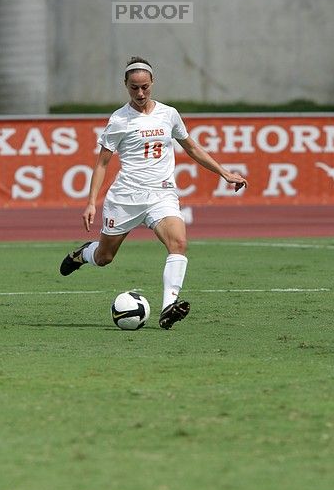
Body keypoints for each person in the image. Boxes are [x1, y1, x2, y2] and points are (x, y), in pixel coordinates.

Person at [60, 56, 248, 330]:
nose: (140, 93)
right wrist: (90, 202)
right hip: (125, 198)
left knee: (178, 243)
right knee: (104, 258)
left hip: (161, 194)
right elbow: (102, 163)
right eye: (134, 88)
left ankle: (168, 306)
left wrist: (224, 172)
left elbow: (192, 148)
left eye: (145, 87)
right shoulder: (118, 120)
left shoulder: (169, 114)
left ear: (152, 83)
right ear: (125, 85)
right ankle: (82, 254)